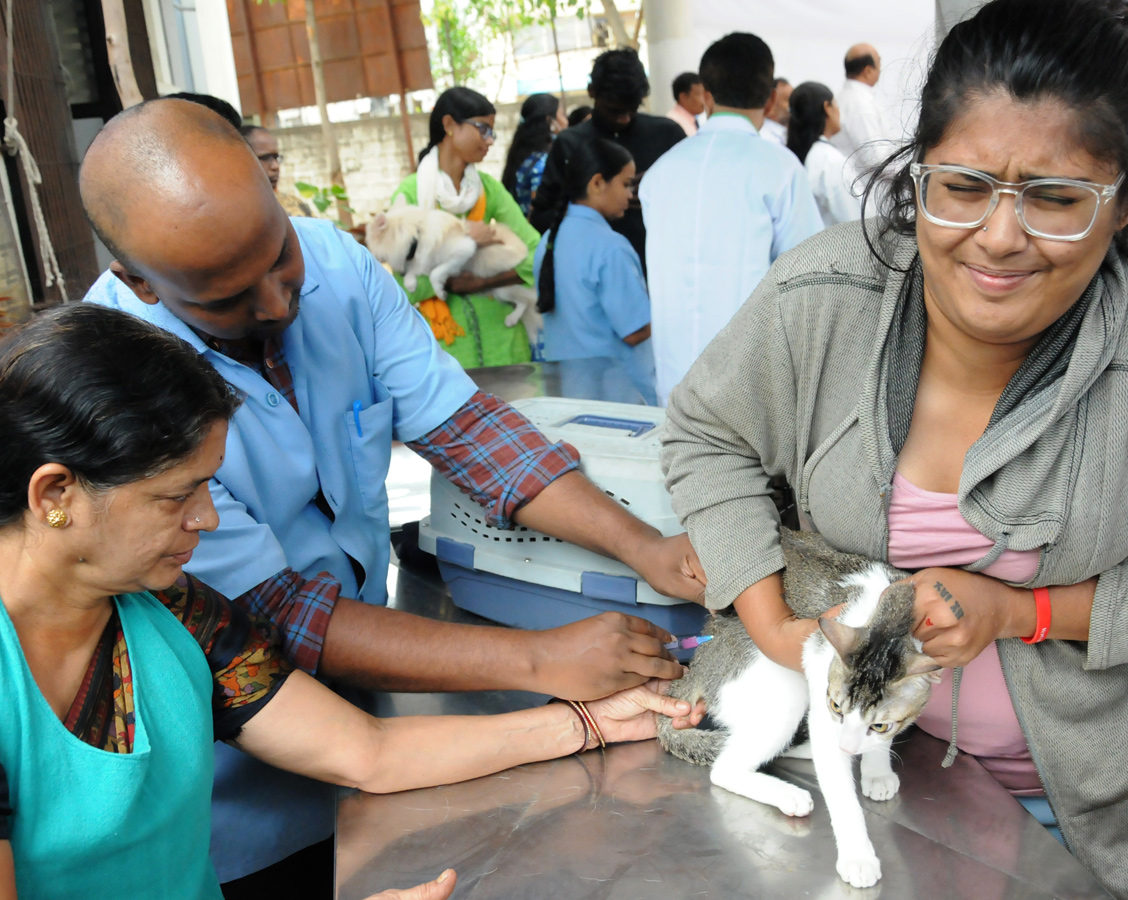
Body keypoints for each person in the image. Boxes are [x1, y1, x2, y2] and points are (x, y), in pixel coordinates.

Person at [77, 98, 707, 896]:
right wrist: (544, 657)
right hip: (237, 772)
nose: (276, 305)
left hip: (370, 722)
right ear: (138, 279)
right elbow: (272, 615)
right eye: (224, 299)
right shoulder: (116, 381)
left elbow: (469, 431)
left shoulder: (336, 267)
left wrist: (647, 547)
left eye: (278, 255)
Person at [660, 0, 1128, 897]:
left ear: (1125, 204)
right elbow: (706, 433)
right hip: (892, 800)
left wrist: (1021, 610)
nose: (998, 237)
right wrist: (773, 626)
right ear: (918, 178)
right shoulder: (826, 297)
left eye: (1057, 200)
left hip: (1114, 820)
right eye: (963, 187)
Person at [0, 304, 703, 900]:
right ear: (55, 495)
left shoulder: (177, 613)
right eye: (174, 495)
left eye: (207, 486)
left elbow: (365, 752)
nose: (206, 520)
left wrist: (591, 725)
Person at [640, 32, 822, 404]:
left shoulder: (659, 172)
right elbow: (811, 278)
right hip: (751, 394)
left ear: (705, 95)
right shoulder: (780, 169)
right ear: (771, 99)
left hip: (672, 390)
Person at [387, 87, 540, 367]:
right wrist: (462, 244)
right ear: (449, 125)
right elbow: (399, 284)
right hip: (446, 350)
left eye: (492, 131)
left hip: (505, 342)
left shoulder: (489, 190)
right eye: (483, 128)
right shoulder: (410, 196)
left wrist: (485, 281)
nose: (490, 140)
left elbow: (537, 254)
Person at [530, 48, 686, 272]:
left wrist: (658, 193)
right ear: (592, 92)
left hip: (663, 270)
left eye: (631, 110)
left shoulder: (667, 135)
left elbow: (696, 202)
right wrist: (592, 203)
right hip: (591, 271)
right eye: (614, 110)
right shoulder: (570, 144)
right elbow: (542, 219)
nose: (623, 119)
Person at [532, 139, 655, 402]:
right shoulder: (610, 247)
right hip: (618, 397)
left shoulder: (548, 241)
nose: (630, 195)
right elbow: (634, 331)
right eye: (626, 184)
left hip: (569, 393)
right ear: (597, 183)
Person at [786, 82, 860, 227]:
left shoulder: (798, 156)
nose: (839, 111)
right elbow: (854, 222)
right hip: (839, 246)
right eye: (836, 105)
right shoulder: (829, 160)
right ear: (827, 108)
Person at [829, 43, 889, 177]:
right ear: (868, 71)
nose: (880, 69)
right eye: (879, 62)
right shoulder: (859, 104)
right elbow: (875, 158)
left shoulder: (846, 98)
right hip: (865, 188)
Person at [501, 93, 566, 217]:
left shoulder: (522, 156)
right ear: (550, 121)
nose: (566, 121)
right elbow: (538, 210)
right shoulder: (544, 162)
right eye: (562, 115)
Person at [240, 124, 314, 218]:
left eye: (276, 157)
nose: (276, 166)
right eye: (265, 158)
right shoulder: (232, 213)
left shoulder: (295, 205)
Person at [666, 72, 705, 137]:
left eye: (704, 94)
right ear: (683, 97)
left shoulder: (695, 119)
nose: (704, 100)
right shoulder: (673, 124)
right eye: (699, 94)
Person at [760, 77, 792, 147]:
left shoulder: (786, 135)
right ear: (770, 103)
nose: (792, 106)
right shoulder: (765, 138)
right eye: (788, 100)